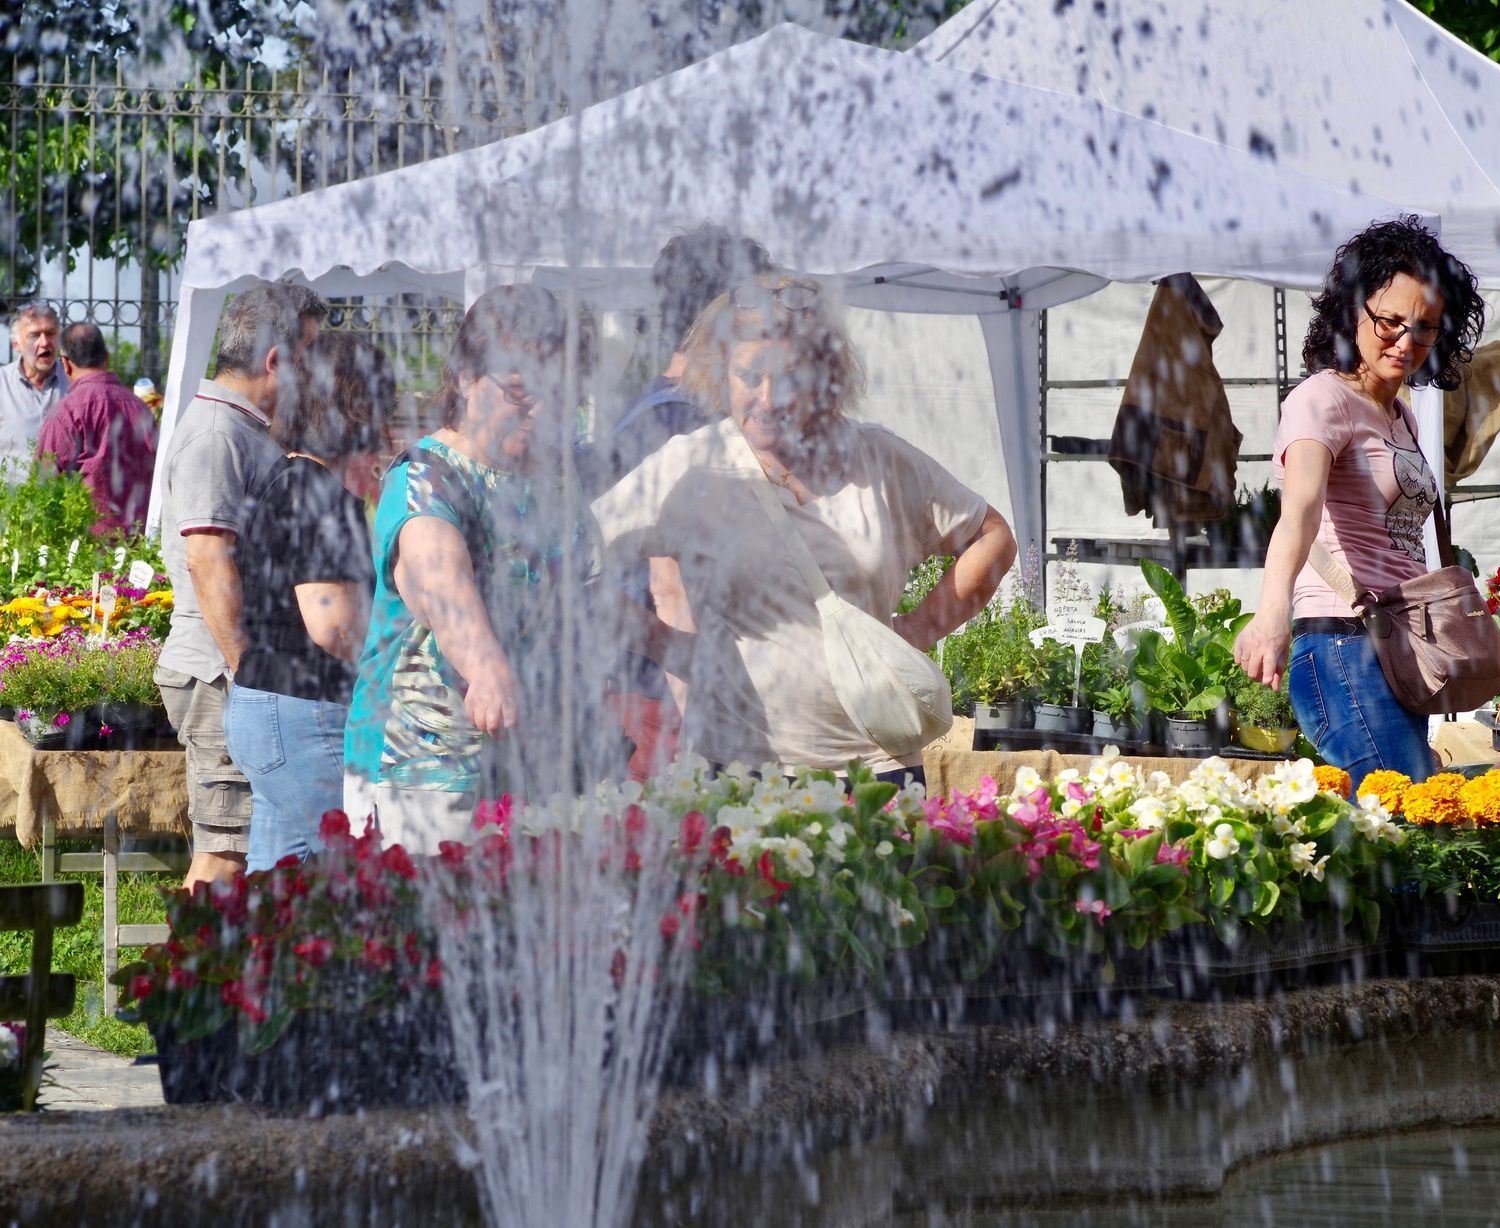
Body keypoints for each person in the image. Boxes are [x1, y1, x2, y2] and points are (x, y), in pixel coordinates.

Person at [593, 274, 1017, 783]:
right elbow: (572, 555)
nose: (768, 399)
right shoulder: (690, 465)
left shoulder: (878, 460)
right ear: (722, 371)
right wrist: (666, 644)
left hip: (877, 769)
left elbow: (993, 538)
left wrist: (919, 629)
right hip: (742, 769)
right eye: (750, 375)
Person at [1233, 216, 1486, 782]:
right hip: (1342, 645)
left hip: (1399, 647)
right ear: (1354, 311)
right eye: (1391, 322)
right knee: (1404, 819)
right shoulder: (1322, 400)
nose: (1406, 341)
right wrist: (1271, 614)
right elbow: (1296, 515)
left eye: (1425, 327)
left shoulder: (1399, 414)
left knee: (1399, 827)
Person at [344, 285, 576, 852]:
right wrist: (488, 666)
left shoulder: (545, 485)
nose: (539, 408)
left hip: (521, 763)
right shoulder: (422, 477)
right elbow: (439, 579)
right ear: (468, 378)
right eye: (520, 389)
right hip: (422, 774)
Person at [156, 280, 326, 889]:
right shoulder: (216, 436)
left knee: (256, 849)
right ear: (275, 359)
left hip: (236, 674)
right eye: (305, 356)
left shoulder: (243, 430)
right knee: (224, 856)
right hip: (217, 671)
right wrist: (248, 672)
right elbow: (208, 560)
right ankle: (184, 983)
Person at [596, 226, 775, 783]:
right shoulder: (681, 422)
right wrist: (701, 727)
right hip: (673, 701)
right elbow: (669, 581)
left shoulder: (643, 410)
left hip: (646, 688)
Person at [222, 335, 392, 872]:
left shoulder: (283, 479)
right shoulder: (319, 495)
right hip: (301, 711)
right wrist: (395, 670)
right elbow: (333, 625)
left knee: (279, 894)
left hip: (262, 703)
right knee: (358, 874)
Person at [37, 322, 159, 533]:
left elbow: (44, 489)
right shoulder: (141, 408)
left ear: (65, 364)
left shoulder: (66, 413)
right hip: (141, 552)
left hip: (88, 556)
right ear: (107, 357)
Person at [1, 303, 68, 478]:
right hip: (11, 501)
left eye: (50, 333)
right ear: (16, 344)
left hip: (66, 500)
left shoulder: (75, 383)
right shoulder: (2, 385)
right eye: (34, 335)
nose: (44, 342)